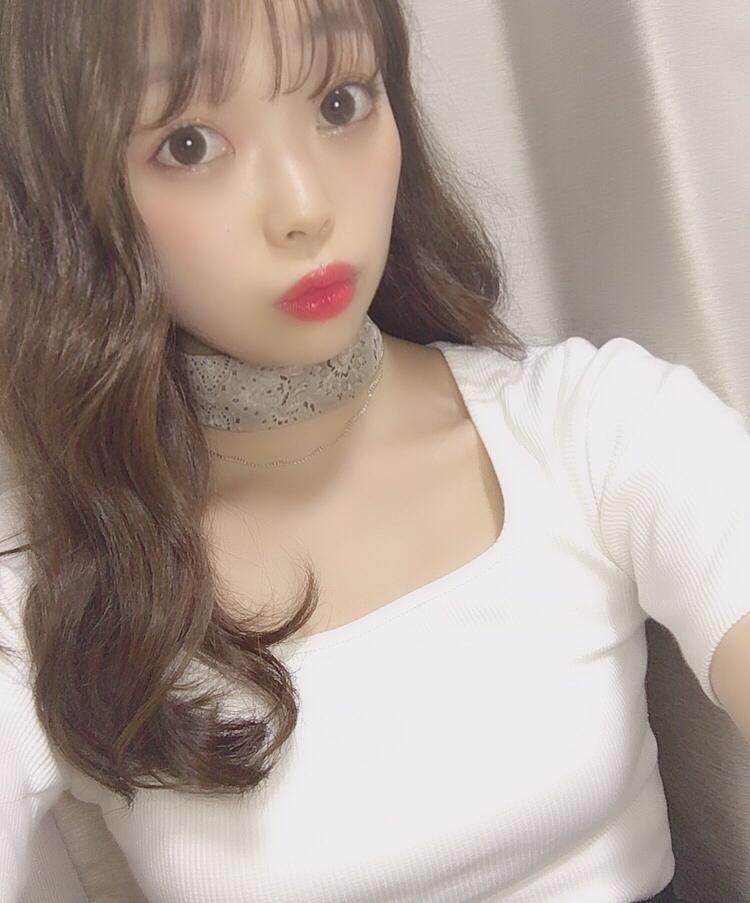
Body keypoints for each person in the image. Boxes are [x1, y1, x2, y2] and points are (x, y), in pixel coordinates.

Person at [0, 1, 745, 900]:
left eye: (340, 102)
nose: (305, 207)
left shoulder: (590, 426)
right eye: (189, 145)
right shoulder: (52, 598)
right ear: (73, 199)